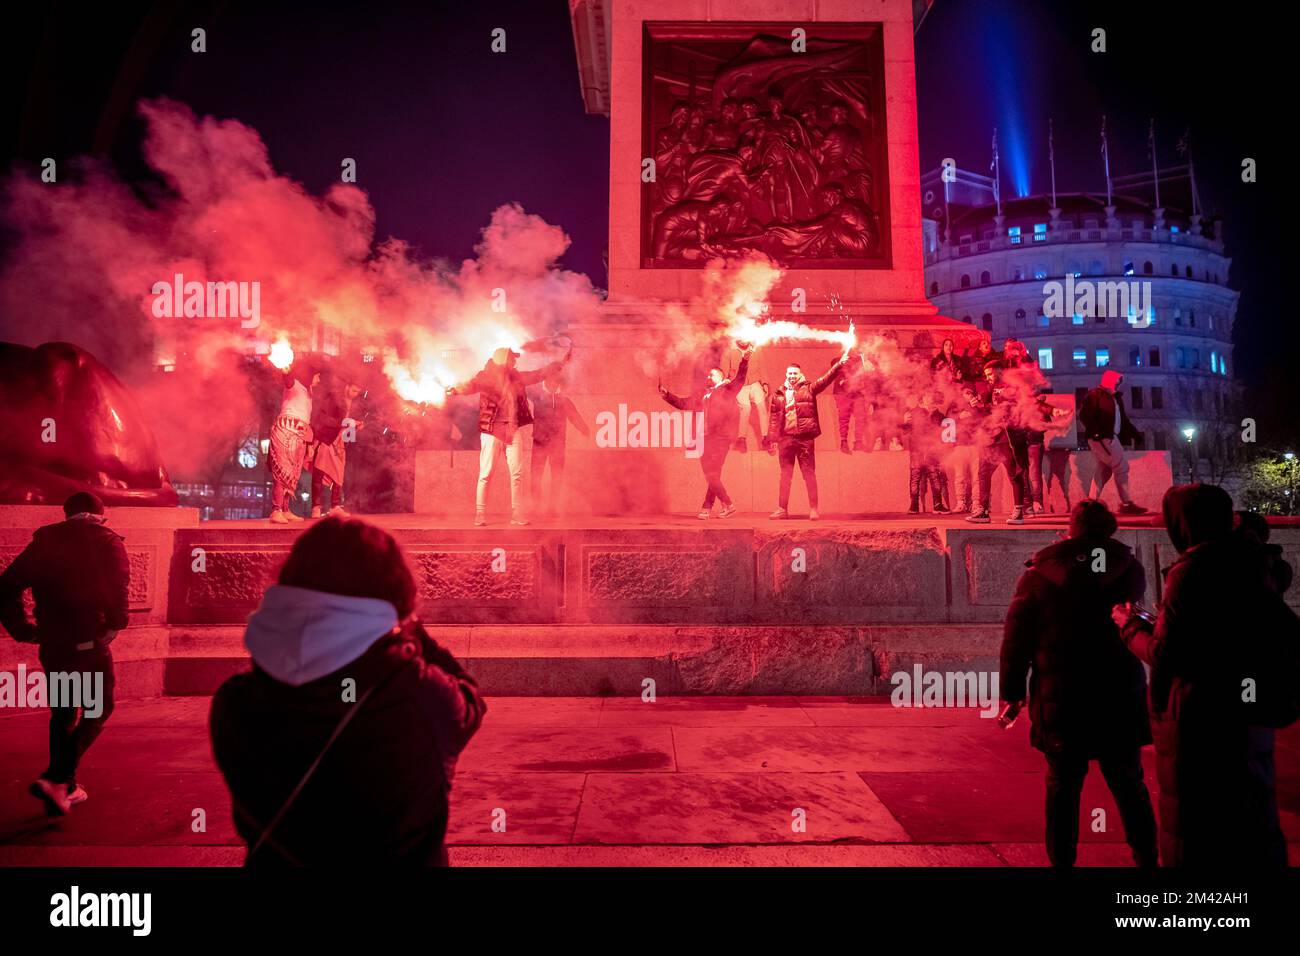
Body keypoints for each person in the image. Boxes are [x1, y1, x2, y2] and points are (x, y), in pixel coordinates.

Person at [210, 516, 486, 866]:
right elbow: (470, 699)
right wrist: (409, 627)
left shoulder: (235, 702)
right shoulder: (421, 697)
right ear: (395, 594)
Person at [1114, 484, 1299, 867]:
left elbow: (1168, 654)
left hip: (1200, 719)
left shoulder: (1192, 570)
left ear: (1183, 523)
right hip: (1247, 717)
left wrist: (1129, 627)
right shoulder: (1253, 562)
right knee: (1251, 822)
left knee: (1196, 832)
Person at [1000, 500, 1158, 867]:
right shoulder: (1128, 568)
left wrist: (1013, 692)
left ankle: (1063, 861)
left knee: (1062, 787)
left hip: (1061, 696)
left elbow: (1016, 639)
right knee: (1130, 785)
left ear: (1072, 528)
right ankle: (1147, 858)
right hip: (1116, 693)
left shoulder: (1040, 573)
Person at [0, 492, 129, 815]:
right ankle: (57, 778)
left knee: (64, 712)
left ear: (66, 513)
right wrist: (114, 624)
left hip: (54, 642)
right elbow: (118, 586)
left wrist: (23, 628)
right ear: (100, 514)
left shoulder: (45, 542)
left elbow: (5, 587)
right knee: (99, 708)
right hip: (88, 641)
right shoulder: (107, 541)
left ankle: (64, 786)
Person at [449, 346, 569, 527]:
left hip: (512, 430)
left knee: (517, 474)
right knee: (486, 473)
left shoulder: (517, 377)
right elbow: (470, 386)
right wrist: (455, 389)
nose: (515, 362)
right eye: (512, 359)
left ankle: (517, 514)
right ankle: (480, 514)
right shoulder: (485, 377)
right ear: (504, 360)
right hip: (492, 431)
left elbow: (538, 374)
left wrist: (557, 364)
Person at [660, 345, 753, 518]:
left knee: (712, 473)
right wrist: (667, 395)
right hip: (703, 438)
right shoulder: (702, 395)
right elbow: (683, 404)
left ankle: (722, 504)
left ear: (721, 377)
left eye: (712, 374)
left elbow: (740, 378)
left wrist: (745, 359)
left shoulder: (727, 390)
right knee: (711, 474)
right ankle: (714, 507)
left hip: (721, 438)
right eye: (708, 374)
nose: (708, 376)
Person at [764, 348, 849, 519]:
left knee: (809, 474)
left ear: (800, 375)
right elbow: (773, 419)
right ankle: (782, 509)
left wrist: (839, 365)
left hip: (805, 439)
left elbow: (825, 380)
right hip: (786, 439)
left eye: (795, 373)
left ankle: (813, 509)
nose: (792, 375)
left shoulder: (809, 388)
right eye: (789, 373)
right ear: (786, 374)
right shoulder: (778, 395)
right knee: (785, 476)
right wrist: (772, 440)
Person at [966, 363, 1028, 524]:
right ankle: (983, 510)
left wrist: (983, 405)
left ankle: (1018, 510)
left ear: (999, 371)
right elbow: (985, 413)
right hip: (990, 438)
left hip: (1005, 438)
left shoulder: (1007, 387)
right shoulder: (988, 388)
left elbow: (1005, 409)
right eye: (986, 374)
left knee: (1013, 474)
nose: (988, 377)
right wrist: (974, 407)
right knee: (983, 473)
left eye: (990, 373)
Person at [1079, 369, 1145, 515]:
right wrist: (1096, 432)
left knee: (1104, 469)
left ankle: (1090, 503)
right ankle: (1126, 503)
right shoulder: (1095, 395)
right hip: (1103, 437)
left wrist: (1136, 434)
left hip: (1106, 436)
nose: (1118, 384)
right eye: (1116, 381)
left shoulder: (1114, 398)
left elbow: (1123, 420)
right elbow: (1084, 415)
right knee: (1121, 466)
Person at [528, 372, 590, 517]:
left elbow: (575, 417)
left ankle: (552, 508)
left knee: (557, 476)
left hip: (558, 444)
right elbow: (526, 387)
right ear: (546, 383)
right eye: (550, 381)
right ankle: (536, 507)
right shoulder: (538, 398)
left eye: (556, 382)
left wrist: (584, 429)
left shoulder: (564, 401)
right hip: (539, 442)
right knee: (536, 475)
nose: (554, 384)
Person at [269, 361, 319, 524]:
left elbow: (307, 420)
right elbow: (287, 377)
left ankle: (285, 509)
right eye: (317, 376)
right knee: (282, 470)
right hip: (286, 431)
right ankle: (276, 510)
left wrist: (309, 444)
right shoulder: (294, 384)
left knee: (292, 473)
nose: (319, 379)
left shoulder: (308, 392)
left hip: (300, 433)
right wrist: (286, 369)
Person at [309, 372, 363, 518]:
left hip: (339, 441)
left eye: (358, 392)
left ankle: (335, 506)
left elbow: (346, 426)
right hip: (325, 438)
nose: (355, 394)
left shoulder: (353, 403)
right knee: (319, 472)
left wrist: (353, 427)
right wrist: (348, 424)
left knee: (339, 474)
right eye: (353, 390)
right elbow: (324, 419)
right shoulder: (334, 398)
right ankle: (316, 507)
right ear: (347, 387)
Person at [902, 392, 949, 514]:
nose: (931, 399)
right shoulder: (912, 413)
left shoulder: (938, 414)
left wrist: (934, 414)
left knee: (935, 477)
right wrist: (904, 422)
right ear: (921, 400)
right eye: (928, 397)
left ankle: (937, 505)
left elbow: (946, 429)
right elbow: (904, 431)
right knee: (915, 477)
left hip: (932, 450)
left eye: (931, 397)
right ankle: (913, 506)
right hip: (917, 450)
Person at [832, 351, 870, 454]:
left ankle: (858, 442)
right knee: (844, 418)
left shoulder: (860, 360)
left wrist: (864, 359)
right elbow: (834, 368)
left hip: (857, 393)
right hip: (842, 393)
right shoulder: (838, 360)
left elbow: (869, 371)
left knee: (861, 417)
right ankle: (843, 442)